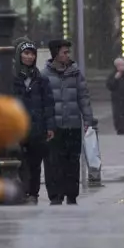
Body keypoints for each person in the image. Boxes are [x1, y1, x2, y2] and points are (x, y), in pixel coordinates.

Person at [44, 39, 95, 201]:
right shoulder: (45, 75)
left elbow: (83, 97)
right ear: (55, 54)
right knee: (54, 162)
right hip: (54, 127)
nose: (67, 55)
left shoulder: (75, 73)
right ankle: (56, 196)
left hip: (73, 126)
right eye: (64, 52)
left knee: (72, 162)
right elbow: (43, 101)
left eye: (68, 52)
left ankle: (72, 195)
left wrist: (88, 120)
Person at [12, 39, 55, 204]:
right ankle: (22, 191)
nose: (30, 57)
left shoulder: (41, 79)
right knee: (20, 162)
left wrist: (50, 126)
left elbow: (48, 104)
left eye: (32, 54)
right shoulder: (12, 79)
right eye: (26, 53)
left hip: (37, 129)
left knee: (35, 164)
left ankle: (33, 194)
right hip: (18, 129)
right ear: (19, 55)